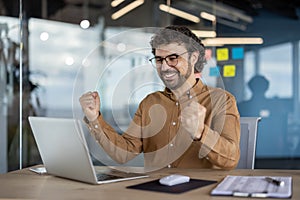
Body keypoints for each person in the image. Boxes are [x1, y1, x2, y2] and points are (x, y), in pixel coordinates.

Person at [79, 26, 240, 170]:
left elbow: (231, 160)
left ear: (193, 58)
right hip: (154, 191)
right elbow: (123, 153)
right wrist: (95, 119)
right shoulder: (149, 103)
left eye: (173, 58)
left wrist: (200, 132)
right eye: (159, 59)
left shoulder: (222, 100)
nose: (164, 67)